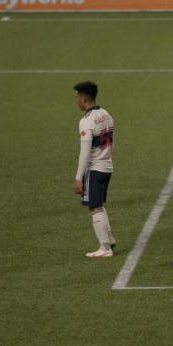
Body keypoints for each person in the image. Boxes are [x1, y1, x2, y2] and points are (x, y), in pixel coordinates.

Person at [73, 81, 116, 258]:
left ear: (84, 99)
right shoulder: (106, 114)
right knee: (98, 205)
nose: (76, 101)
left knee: (93, 207)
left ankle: (105, 248)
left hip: (95, 169)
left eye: (77, 97)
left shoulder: (86, 121)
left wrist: (78, 178)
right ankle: (110, 239)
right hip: (107, 166)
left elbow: (85, 153)